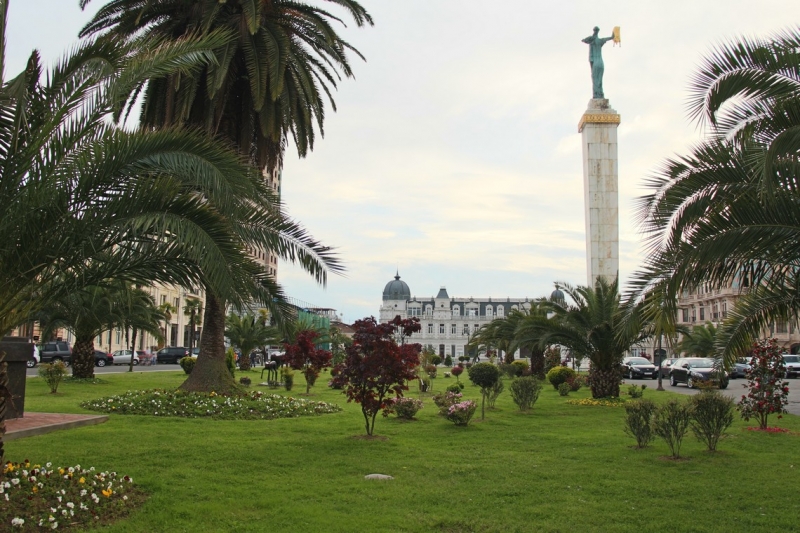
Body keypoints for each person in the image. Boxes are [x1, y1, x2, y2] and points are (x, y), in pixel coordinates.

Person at [582, 27, 614, 99]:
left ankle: (596, 95)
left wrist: (590, 38)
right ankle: (600, 94)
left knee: (595, 79)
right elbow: (611, 37)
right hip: (601, 63)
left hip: (596, 63)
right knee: (599, 80)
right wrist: (613, 35)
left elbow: (584, 40)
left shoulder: (592, 41)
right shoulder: (600, 41)